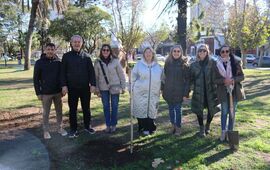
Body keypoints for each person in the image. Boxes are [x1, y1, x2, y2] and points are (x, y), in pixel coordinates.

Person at [61, 35, 96, 138]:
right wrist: (63, 85)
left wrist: (93, 84)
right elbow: (62, 72)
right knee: (73, 109)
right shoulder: (66, 56)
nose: (77, 43)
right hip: (72, 88)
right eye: (75, 42)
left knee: (86, 108)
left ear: (81, 43)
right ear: (71, 43)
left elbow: (91, 72)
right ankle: (73, 129)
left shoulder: (87, 56)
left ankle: (87, 126)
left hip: (85, 88)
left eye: (78, 42)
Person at [33, 43, 67, 139]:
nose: (50, 51)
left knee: (59, 111)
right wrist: (38, 93)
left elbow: (61, 77)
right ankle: (46, 131)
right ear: (45, 50)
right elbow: (36, 79)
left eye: (52, 49)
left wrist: (62, 88)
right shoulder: (39, 62)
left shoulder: (58, 62)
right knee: (46, 113)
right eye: (48, 49)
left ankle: (60, 128)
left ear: (55, 50)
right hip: (45, 93)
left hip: (57, 92)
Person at [213, 45, 245, 141]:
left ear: (229, 52)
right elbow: (214, 80)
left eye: (227, 51)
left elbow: (242, 77)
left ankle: (230, 132)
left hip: (234, 92)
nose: (225, 53)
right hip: (223, 92)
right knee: (224, 112)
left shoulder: (236, 62)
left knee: (232, 113)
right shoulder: (216, 64)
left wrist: (232, 80)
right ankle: (223, 131)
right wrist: (224, 81)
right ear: (220, 53)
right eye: (223, 52)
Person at [189, 44, 220, 137]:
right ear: (197, 52)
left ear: (207, 52)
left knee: (212, 110)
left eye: (204, 51)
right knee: (199, 110)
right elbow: (190, 78)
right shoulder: (193, 65)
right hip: (199, 92)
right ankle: (201, 128)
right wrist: (193, 87)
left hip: (211, 91)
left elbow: (217, 75)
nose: (202, 52)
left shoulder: (213, 63)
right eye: (200, 51)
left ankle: (208, 126)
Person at [94, 44, 126, 133]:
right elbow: (96, 77)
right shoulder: (97, 62)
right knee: (106, 107)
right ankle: (108, 125)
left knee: (115, 107)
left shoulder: (115, 61)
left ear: (110, 51)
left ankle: (114, 124)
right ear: (101, 51)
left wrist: (123, 86)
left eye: (107, 50)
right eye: (104, 50)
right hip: (103, 88)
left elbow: (121, 74)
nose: (105, 51)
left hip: (115, 87)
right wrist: (97, 88)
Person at [131, 47, 162, 135]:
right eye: (146, 52)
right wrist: (131, 88)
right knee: (141, 109)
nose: (148, 54)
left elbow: (162, 78)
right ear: (144, 54)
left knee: (151, 110)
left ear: (153, 54)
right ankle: (143, 126)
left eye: (150, 52)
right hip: (140, 92)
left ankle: (151, 127)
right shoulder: (139, 65)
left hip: (153, 92)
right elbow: (133, 77)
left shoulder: (157, 66)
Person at [161, 45, 189, 135]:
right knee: (171, 109)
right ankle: (173, 125)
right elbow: (163, 78)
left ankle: (178, 127)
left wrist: (186, 94)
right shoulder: (167, 63)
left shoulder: (184, 64)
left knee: (178, 109)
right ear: (171, 52)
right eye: (174, 51)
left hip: (179, 92)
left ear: (181, 53)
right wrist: (162, 89)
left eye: (178, 51)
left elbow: (188, 81)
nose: (176, 53)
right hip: (168, 91)